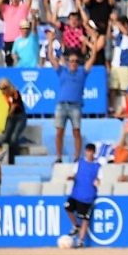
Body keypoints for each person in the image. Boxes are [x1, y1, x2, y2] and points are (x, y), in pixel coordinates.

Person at [47, 29, 96, 163]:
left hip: (75, 106)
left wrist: (90, 42)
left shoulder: (82, 72)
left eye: (75, 61)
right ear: (68, 62)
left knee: (76, 132)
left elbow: (93, 57)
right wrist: (51, 41)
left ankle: (76, 157)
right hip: (62, 105)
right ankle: (58, 157)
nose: (73, 62)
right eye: (71, 60)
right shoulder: (62, 71)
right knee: (59, 132)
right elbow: (51, 57)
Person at [64, 143, 102, 249]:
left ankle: (80, 241)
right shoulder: (80, 162)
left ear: (94, 152)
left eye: (91, 151)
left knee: (85, 218)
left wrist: (97, 181)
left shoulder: (97, 166)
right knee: (67, 207)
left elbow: (99, 178)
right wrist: (71, 178)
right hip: (76, 193)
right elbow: (75, 174)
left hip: (88, 195)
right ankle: (76, 226)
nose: (89, 153)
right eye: (88, 151)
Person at [0, 78, 26, 164]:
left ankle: (16, 158)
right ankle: (4, 156)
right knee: (5, 137)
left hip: (19, 117)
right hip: (11, 117)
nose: (3, 91)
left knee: (13, 138)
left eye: (4, 88)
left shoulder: (15, 93)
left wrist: (6, 116)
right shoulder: (3, 95)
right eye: (1, 89)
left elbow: (13, 109)